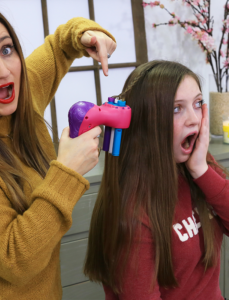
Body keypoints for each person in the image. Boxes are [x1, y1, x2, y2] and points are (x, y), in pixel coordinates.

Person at [0, 1, 116, 299]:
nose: (3, 70)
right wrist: (66, 172)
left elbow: (60, 46)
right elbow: (15, 259)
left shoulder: (21, 96)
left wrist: (88, 34)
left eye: (6, 50)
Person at [84, 60, 229, 300]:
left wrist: (201, 170)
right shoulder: (133, 212)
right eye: (176, 109)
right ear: (147, 124)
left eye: (197, 104)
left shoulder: (199, 164)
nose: (194, 119)